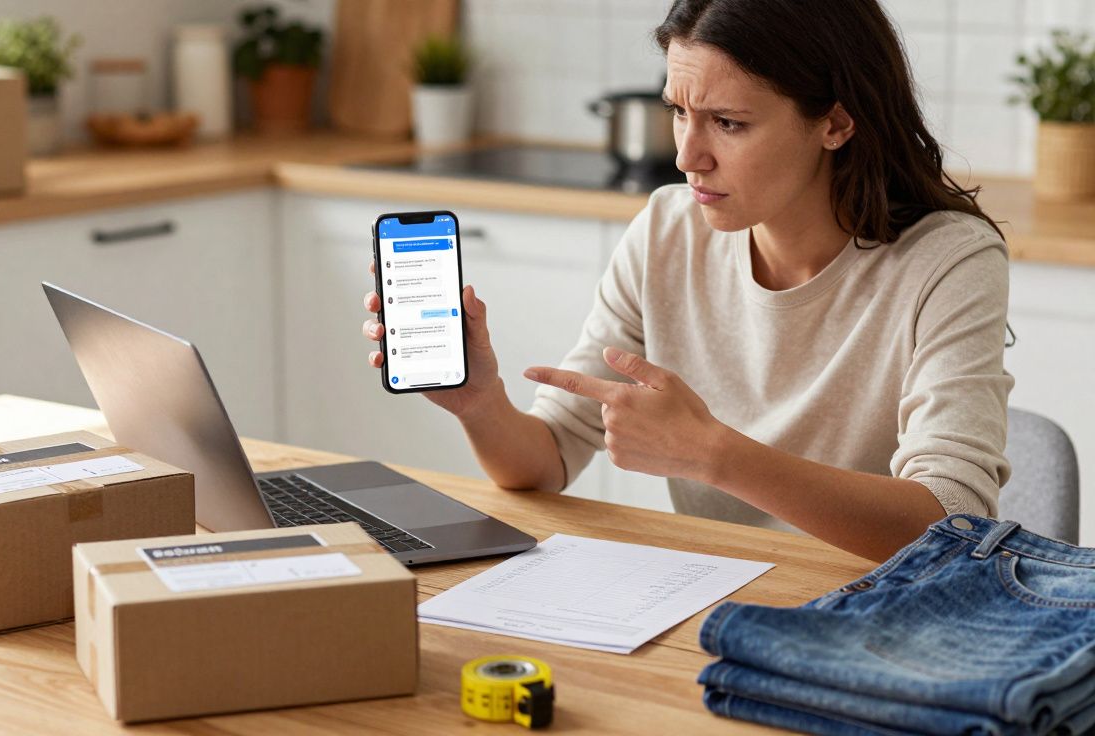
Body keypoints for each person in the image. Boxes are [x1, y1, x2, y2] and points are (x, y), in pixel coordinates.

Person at [361, 0, 1011, 562]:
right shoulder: (669, 229)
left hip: (879, 611)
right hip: (722, 593)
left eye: (728, 123)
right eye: (678, 111)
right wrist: (480, 403)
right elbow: (548, 458)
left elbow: (951, 519)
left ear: (836, 124)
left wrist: (714, 454)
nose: (685, 156)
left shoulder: (948, 261)